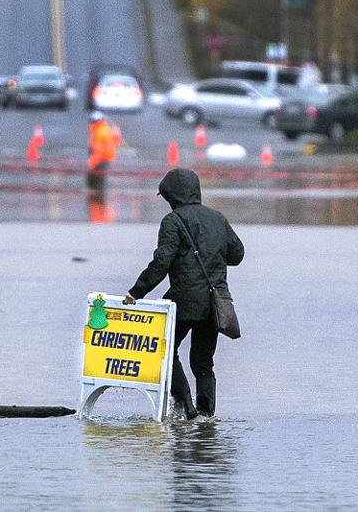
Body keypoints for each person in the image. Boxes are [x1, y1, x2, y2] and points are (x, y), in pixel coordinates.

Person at [124, 168, 244, 419]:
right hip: (215, 302)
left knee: (165, 351)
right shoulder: (218, 218)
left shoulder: (173, 221)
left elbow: (162, 262)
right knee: (203, 362)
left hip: (184, 301)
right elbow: (237, 254)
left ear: (173, 195)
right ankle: (206, 416)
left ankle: (186, 407)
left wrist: (136, 292)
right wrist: (212, 253)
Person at [86, 110, 117, 190]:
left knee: (95, 183)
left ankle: (97, 195)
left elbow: (97, 150)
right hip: (106, 159)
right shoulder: (106, 129)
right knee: (101, 180)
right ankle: (99, 193)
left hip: (100, 160)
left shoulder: (99, 133)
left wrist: (92, 164)